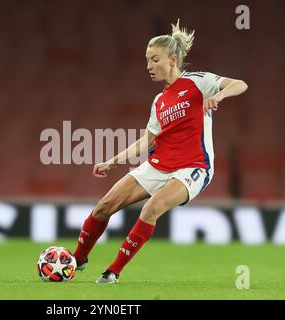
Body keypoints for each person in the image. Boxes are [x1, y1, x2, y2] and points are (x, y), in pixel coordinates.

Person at [72, 19, 248, 283]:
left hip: (193, 167)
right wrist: (114, 161)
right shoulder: (160, 101)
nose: (148, 66)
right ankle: (78, 259)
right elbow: (148, 141)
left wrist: (219, 96)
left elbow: (240, 83)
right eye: (146, 61)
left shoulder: (198, 82)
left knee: (152, 208)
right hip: (157, 165)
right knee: (104, 207)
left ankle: (113, 271)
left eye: (154, 60)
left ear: (173, 60)